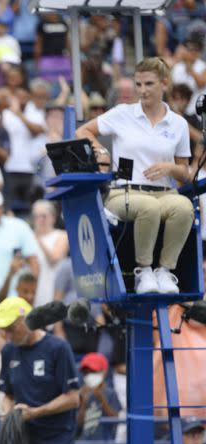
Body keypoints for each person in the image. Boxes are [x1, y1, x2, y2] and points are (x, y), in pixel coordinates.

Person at [75, 57, 194, 294]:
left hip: (165, 192)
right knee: (148, 206)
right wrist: (100, 150)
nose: (142, 90)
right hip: (124, 192)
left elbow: (186, 173)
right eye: (138, 84)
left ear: (164, 84)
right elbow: (83, 130)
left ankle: (165, 271)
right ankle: (143, 271)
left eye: (149, 84)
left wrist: (170, 168)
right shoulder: (122, 113)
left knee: (184, 207)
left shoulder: (178, 124)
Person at [0, 296, 80, 444]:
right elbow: (7, 394)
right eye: (3, 330)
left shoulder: (58, 348)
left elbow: (72, 397)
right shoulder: (8, 351)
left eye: (10, 329)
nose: (6, 335)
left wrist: (36, 412)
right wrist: (8, 413)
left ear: (26, 322)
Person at [76, 352, 121, 444]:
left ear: (103, 372)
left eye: (93, 371)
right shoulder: (81, 394)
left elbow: (115, 419)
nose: (89, 375)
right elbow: (78, 424)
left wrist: (102, 399)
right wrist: (83, 403)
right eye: (86, 373)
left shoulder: (111, 393)